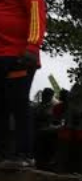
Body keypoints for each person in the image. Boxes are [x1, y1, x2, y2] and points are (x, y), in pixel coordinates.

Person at [0, 0, 46, 164]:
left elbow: (37, 14)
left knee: (18, 102)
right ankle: (4, 154)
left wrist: (33, 46)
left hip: (20, 57)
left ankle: (24, 155)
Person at [32, 87, 54, 169]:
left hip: (46, 131)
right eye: (45, 95)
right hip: (38, 130)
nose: (46, 97)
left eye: (48, 95)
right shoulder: (38, 105)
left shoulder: (52, 106)